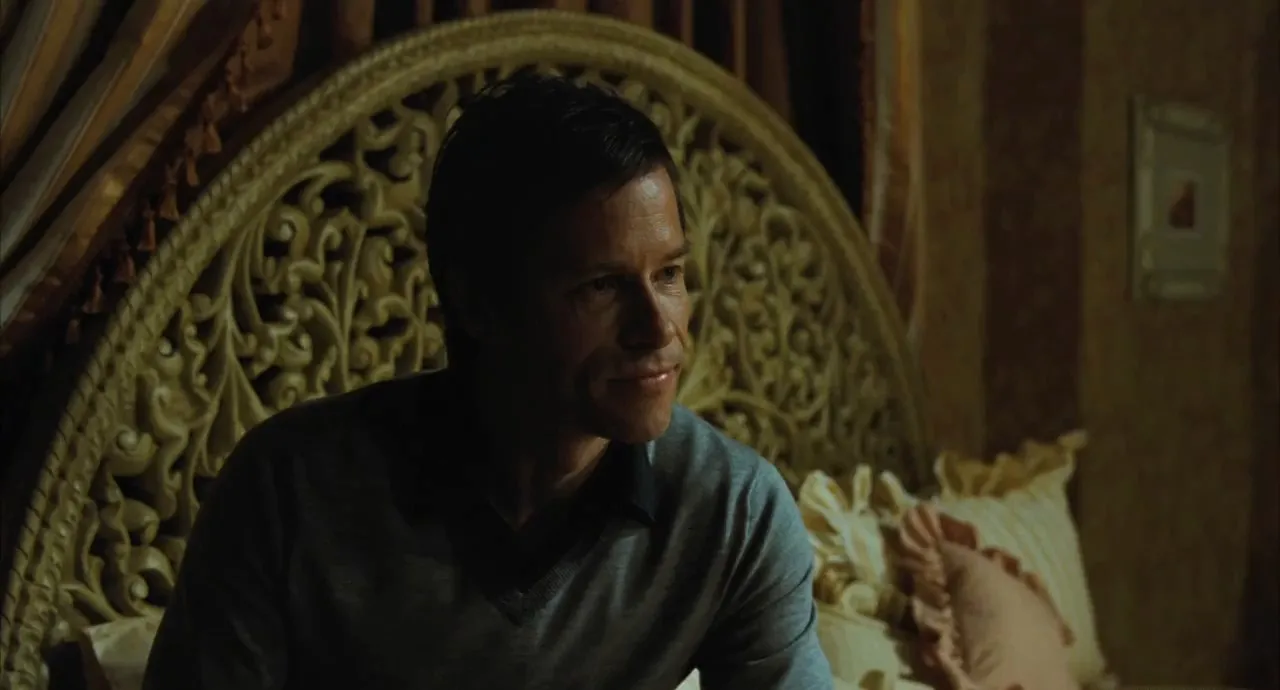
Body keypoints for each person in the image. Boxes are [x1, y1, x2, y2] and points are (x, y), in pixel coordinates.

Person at [143, 72, 831, 690]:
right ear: (478, 304)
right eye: (601, 286)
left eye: (670, 275)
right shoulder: (291, 494)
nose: (659, 329)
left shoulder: (733, 511)